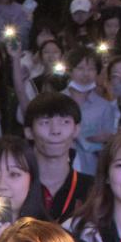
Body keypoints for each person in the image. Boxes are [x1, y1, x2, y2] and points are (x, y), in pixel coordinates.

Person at [24, 92, 93, 223]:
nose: (55, 131)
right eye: (45, 122)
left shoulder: (92, 189)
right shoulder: (17, 185)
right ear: (29, 132)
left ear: (76, 129)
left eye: (65, 122)